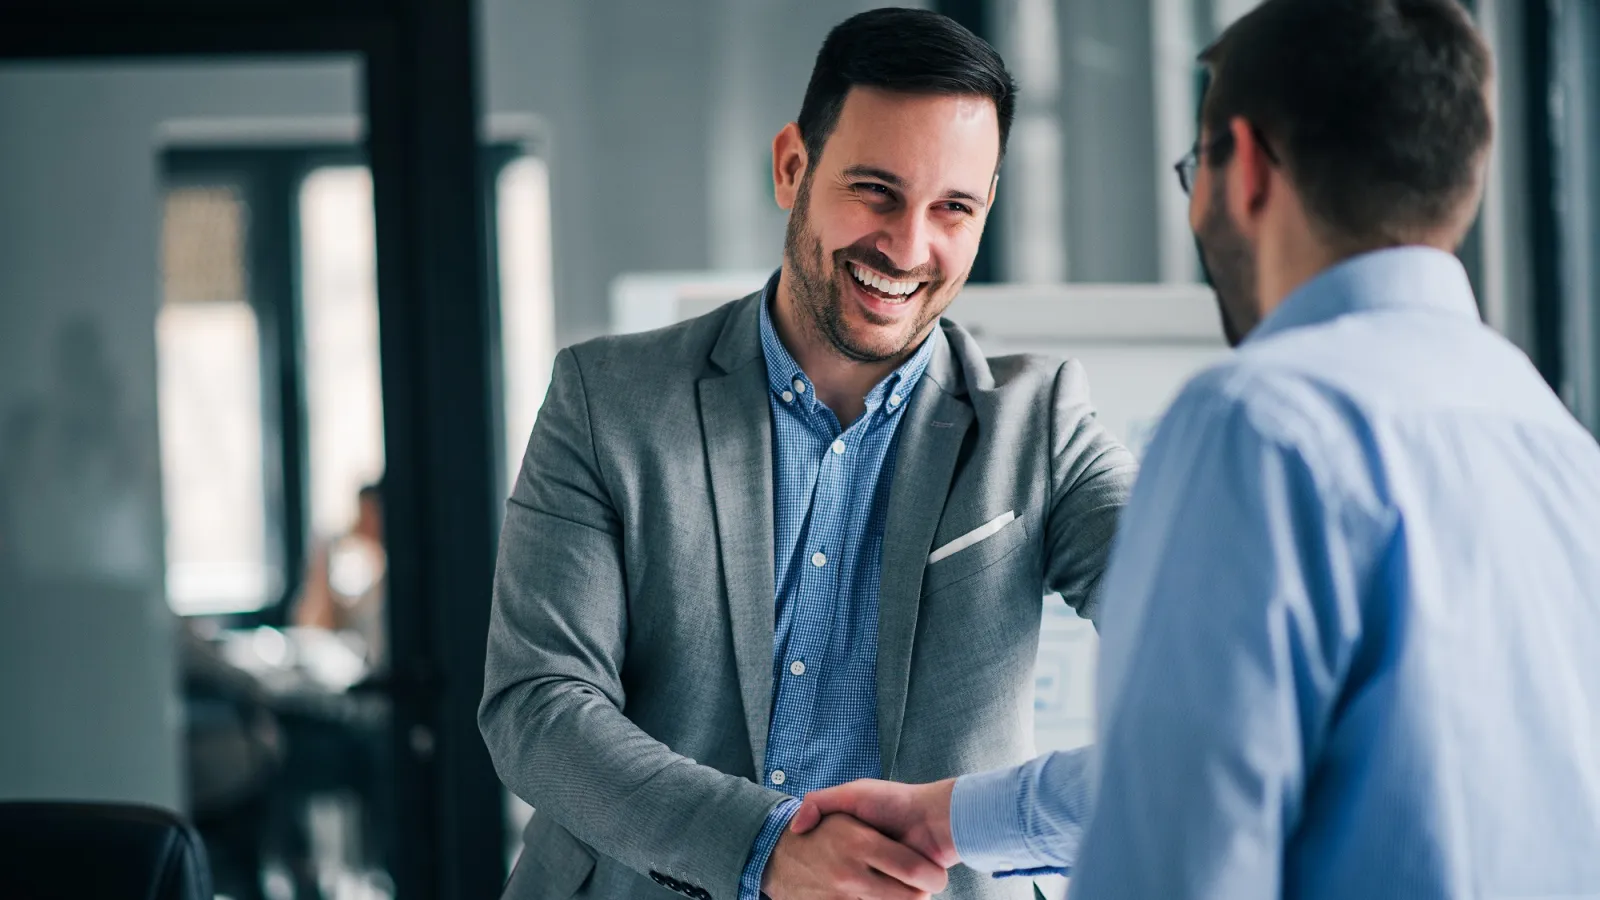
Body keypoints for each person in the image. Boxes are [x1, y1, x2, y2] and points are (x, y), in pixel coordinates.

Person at [792, 1, 1600, 897]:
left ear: (1244, 166)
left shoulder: (1259, 422)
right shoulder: (1559, 446)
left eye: (1194, 169)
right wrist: (957, 817)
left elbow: (1180, 846)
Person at [478, 8, 1137, 900]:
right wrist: (764, 849)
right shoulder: (609, 401)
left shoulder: (1041, 423)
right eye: (875, 191)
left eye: (953, 208)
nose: (907, 248)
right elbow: (539, 706)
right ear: (794, 167)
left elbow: (1204, 630)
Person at [293, 480, 387, 671]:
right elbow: (315, 625)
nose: (362, 522)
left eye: (369, 514)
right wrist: (323, 556)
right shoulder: (369, 582)